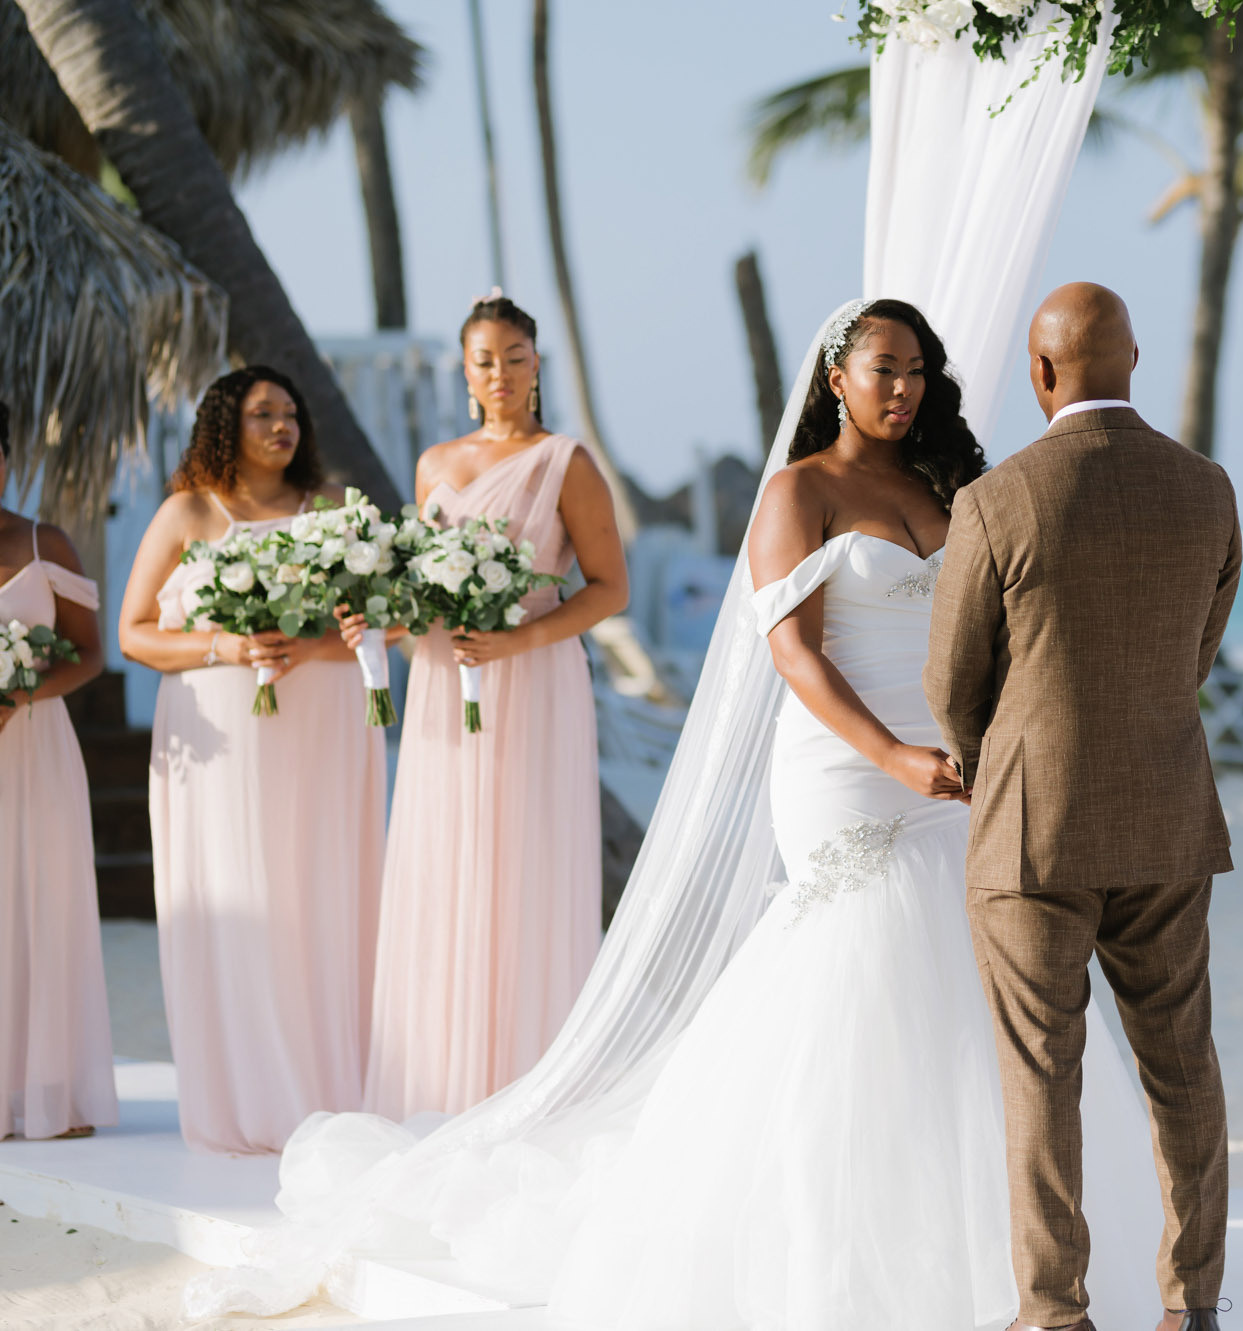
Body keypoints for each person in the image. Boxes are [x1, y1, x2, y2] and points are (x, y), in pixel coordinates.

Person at [541, 297, 1161, 1329]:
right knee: (864, 970)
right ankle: (836, 1261)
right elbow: (794, 653)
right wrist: (892, 753)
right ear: (833, 377)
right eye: (882, 368)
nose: (902, 387)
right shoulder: (798, 491)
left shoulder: (951, 482)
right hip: (846, 763)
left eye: (916, 369)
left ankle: (1018, 1259)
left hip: (962, 762)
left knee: (979, 992)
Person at [926, 282, 1241, 1331]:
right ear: (1135, 358)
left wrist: (999, 756)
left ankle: (1053, 1308)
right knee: (1181, 1063)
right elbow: (1195, 653)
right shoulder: (1207, 490)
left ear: (1038, 370)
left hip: (1029, 827)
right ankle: (1191, 1299)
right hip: (1163, 815)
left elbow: (949, 681)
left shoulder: (997, 498)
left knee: (1039, 1075)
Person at [361, 293, 629, 1118]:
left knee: (526, 855)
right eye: (485, 360)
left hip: (534, 680)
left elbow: (609, 588)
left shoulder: (566, 461)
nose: (500, 374)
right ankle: (443, 1081)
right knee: (448, 858)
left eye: (515, 357)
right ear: (465, 370)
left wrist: (518, 640)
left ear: (536, 364)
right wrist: (384, 623)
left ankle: (529, 1075)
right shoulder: (434, 465)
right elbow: (418, 589)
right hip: (447, 683)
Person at [119, 368, 384, 1154]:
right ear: (223, 424)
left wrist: (312, 642)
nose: (283, 425)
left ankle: (330, 1092)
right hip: (221, 736)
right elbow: (135, 633)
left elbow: (387, 627)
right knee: (241, 895)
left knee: (319, 893)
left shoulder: (334, 509)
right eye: (263, 413)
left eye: (291, 413)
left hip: (324, 728)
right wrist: (226, 645)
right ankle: (247, 1098)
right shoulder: (189, 512)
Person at [0, 400, 118, 1142]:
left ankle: (45, 1092)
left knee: (41, 902)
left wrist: (19, 693)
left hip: (36, 749)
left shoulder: (47, 543)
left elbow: (90, 653)